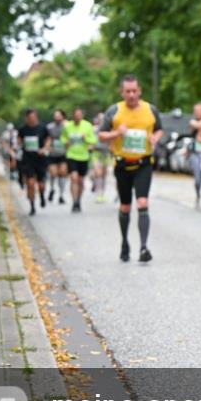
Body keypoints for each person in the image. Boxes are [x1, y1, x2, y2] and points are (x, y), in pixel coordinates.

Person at [98, 75, 164, 262]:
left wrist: (155, 138)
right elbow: (101, 135)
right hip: (122, 164)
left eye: (134, 91)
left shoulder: (150, 110)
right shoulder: (114, 111)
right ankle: (125, 242)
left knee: (142, 203)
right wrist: (117, 133)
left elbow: (159, 129)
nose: (132, 94)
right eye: (128, 91)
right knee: (125, 206)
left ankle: (144, 247)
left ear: (139, 91)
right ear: (122, 92)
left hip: (143, 163)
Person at [61, 107, 97, 212]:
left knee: (80, 181)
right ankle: (74, 201)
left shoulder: (87, 126)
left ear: (82, 115)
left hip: (84, 156)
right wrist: (65, 142)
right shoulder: (68, 126)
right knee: (74, 178)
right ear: (73, 115)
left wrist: (85, 138)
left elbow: (93, 140)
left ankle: (78, 200)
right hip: (71, 155)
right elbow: (63, 138)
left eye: (79, 115)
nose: (77, 116)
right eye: (75, 115)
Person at [17, 109, 51, 216]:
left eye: (34, 117)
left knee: (41, 185)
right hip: (28, 159)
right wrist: (17, 148)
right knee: (30, 183)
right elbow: (19, 141)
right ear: (27, 118)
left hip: (40, 159)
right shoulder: (23, 129)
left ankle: (41, 195)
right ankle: (32, 206)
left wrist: (45, 149)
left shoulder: (42, 127)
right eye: (30, 118)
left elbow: (48, 139)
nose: (32, 120)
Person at [188, 102, 201, 208]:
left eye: (199, 110)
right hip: (195, 153)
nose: (196, 112)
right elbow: (196, 125)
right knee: (197, 179)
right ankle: (198, 195)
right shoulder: (193, 121)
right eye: (195, 110)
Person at [46, 109, 68, 204]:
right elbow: (47, 139)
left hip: (63, 153)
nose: (57, 117)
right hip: (53, 153)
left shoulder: (67, 126)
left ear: (63, 116)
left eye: (59, 116)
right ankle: (52, 188)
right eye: (55, 116)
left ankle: (61, 195)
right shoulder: (50, 127)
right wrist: (47, 147)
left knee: (62, 173)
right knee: (53, 173)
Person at [90, 112, 111, 203]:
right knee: (97, 173)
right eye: (100, 118)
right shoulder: (93, 129)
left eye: (103, 118)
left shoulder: (109, 130)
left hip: (106, 153)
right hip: (96, 153)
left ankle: (102, 193)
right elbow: (90, 139)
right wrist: (90, 145)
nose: (101, 120)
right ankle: (98, 193)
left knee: (103, 174)